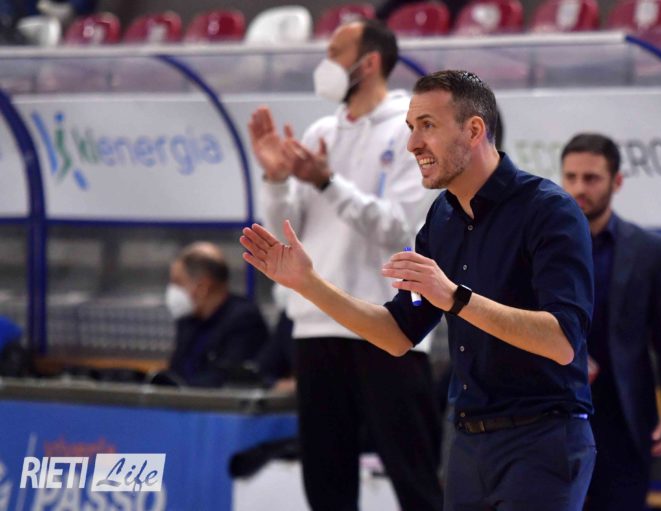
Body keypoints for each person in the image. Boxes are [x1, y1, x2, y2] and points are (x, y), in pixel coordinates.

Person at [241, 69, 596, 511]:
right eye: (411, 127)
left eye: (427, 126)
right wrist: (308, 284)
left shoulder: (549, 211)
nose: (412, 144)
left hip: (542, 438)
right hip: (468, 444)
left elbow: (562, 341)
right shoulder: (441, 220)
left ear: (474, 130)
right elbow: (397, 333)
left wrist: (455, 297)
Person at [247, 19, 443, 511]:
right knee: (326, 482)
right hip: (315, 327)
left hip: (389, 326)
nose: (325, 62)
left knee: (415, 479)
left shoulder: (411, 130)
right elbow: (286, 233)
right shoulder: (320, 132)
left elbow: (400, 228)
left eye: (335, 52)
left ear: (369, 62)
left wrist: (328, 182)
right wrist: (276, 179)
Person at [560, 133, 661, 511]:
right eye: (571, 177)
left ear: (616, 181)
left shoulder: (650, 251)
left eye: (591, 178)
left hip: (624, 416)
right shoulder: (544, 246)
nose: (579, 188)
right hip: (556, 414)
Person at [162, 241, 270, 387]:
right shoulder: (188, 319)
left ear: (203, 286)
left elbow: (228, 380)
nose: (172, 290)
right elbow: (175, 371)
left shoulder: (244, 320)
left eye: (178, 282)